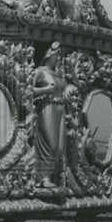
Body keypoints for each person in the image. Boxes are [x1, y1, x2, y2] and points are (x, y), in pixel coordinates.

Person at [32, 41, 67, 184]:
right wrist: (46, 90)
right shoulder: (39, 71)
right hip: (47, 107)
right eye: (56, 56)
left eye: (59, 56)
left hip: (60, 108)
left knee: (59, 147)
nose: (58, 59)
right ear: (48, 55)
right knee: (50, 144)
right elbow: (28, 90)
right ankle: (43, 178)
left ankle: (53, 176)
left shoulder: (58, 74)